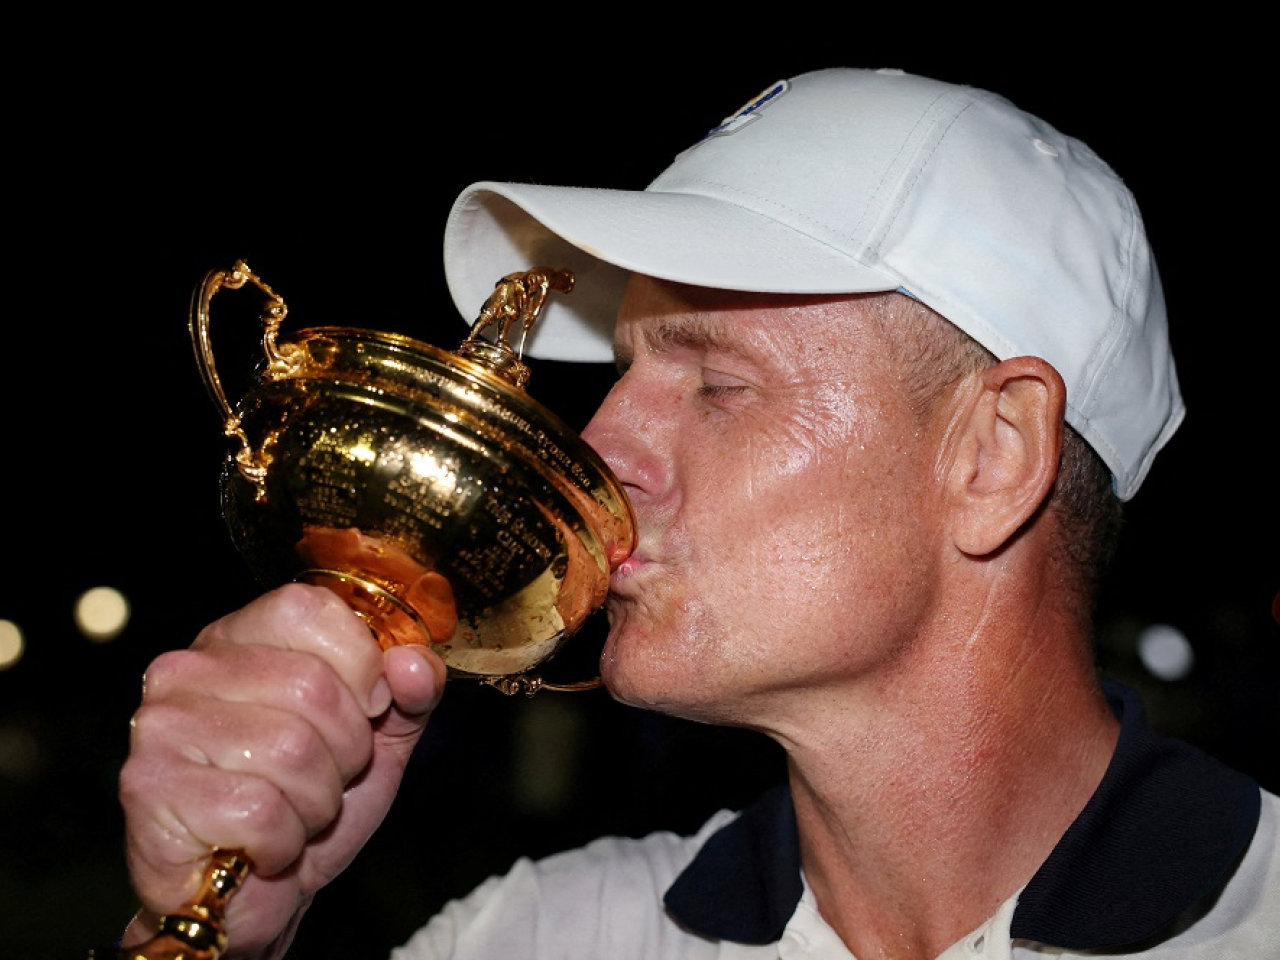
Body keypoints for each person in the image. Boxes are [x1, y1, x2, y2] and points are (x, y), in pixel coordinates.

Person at [116, 67, 1279, 959]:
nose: (603, 450)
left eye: (719, 385)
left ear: (992, 455)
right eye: (618, 376)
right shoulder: (548, 934)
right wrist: (219, 928)